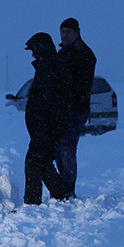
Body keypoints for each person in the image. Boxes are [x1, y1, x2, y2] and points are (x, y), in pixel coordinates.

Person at [23, 32, 71, 205]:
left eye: (34, 50)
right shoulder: (49, 66)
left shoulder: (50, 68)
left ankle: (32, 203)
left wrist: (42, 126)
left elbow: (47, 102)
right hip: (48, 127)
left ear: (41, 49)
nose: (33, 54)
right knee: (43, 162)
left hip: (47, 127)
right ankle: (61, 195)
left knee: (33, 162)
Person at [55, 18, 96, 197]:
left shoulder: (82, 53)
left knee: (67, 148)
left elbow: (77, 82)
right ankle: (64, 186)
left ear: (77, 33)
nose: (64, 35)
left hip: (75, 109)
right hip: (65, 109)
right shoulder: (66, 53)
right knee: (60, 148)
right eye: (62, 32)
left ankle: (68, 189)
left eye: (68, 32)